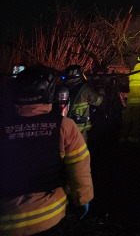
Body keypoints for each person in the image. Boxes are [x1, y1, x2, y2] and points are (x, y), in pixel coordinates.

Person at [0, 65, 93, 235]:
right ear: (50, 93)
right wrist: (82, 199)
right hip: (48, 215)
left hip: (6, 219)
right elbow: (79, 166)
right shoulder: (64, 126)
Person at [61, 65, 104, 142]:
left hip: (63, 128)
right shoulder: (85, 89)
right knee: (81, 153)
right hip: (79, 131)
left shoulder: (61, 89)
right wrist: (100, 89)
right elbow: (98, 101)